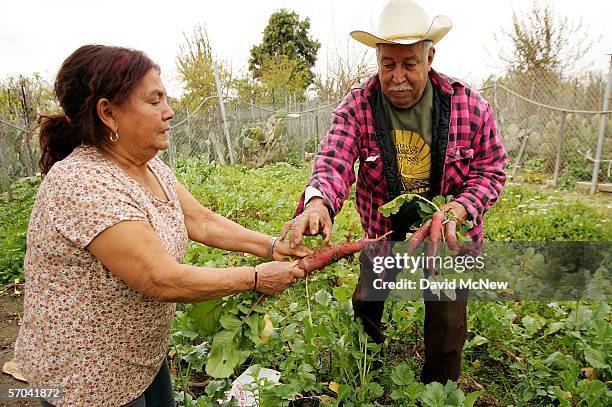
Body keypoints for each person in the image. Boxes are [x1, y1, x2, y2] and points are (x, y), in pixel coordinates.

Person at [14, 44, 311, 407]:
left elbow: (201, 221)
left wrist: (269, 246)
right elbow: (159, 277)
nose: (169, 113)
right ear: (108, 113)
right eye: (154, 102)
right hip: (86, 376)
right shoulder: (84, 183)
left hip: (138, 358)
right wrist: (256, 277)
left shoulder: (148, 167)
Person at [281, 0, 507, 384]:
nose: (397, 76)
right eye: (389, 64)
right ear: (378, 58)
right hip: (384, 230)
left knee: (449, 322)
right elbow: (335, 158)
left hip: (447, 234)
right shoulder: (358, 105)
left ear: (430, 56)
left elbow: (491, 169)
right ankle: (367, 365)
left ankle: (438, 389)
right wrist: (318, 202)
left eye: (409, 64)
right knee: (367, 300)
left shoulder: (468, 104)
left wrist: (460, 208)